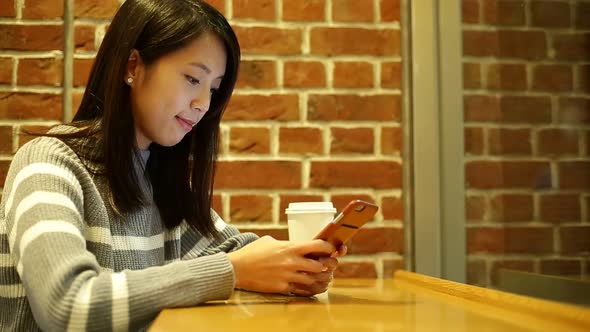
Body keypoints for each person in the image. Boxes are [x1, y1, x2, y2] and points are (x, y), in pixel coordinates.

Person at [0, 0, 345, 330]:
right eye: (193, 79)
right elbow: (67, 307)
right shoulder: (47, 164)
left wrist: (300, 263)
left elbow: (238, 252)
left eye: (214, 89)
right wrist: (231, 271)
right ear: (132, 66)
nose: (202, 104)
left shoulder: (158, 181)